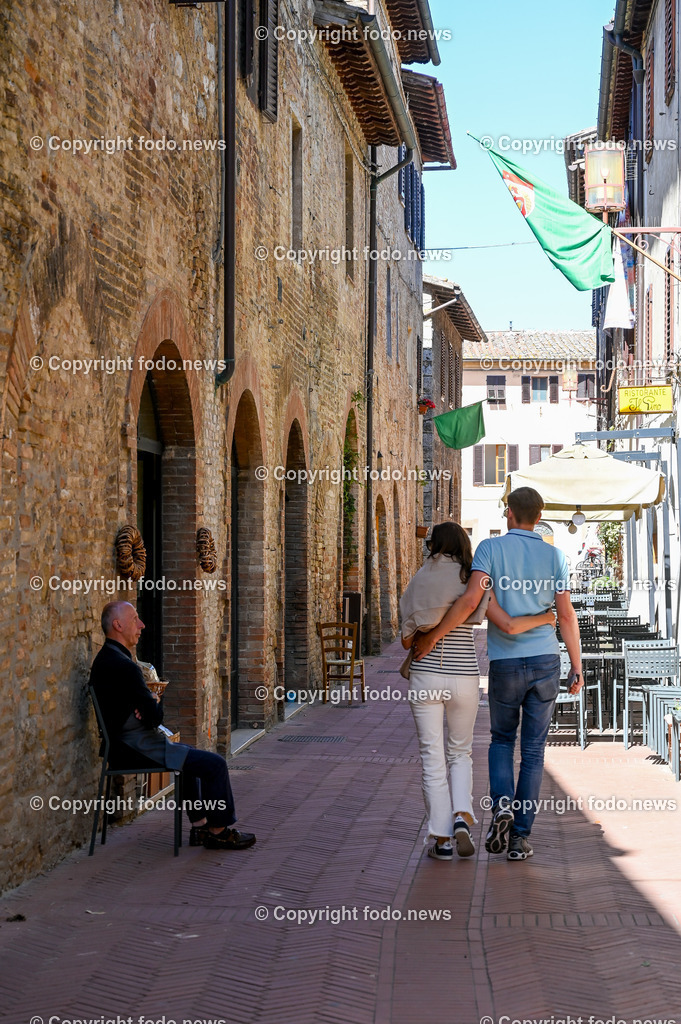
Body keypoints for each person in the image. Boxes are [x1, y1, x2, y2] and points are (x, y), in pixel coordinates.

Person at [413, 488, 582, 862]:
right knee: (534, 752)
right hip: (544, 661)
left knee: (502, 741)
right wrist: (577, 665)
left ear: (509, 514)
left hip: (506, 663)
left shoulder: (490, 551)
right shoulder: (556, 556)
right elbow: (566, 616)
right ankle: (520, 838)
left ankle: (502, 806)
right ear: (539, 518)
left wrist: (432, 637)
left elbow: (472, 600)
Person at [90, 601, 256, 851]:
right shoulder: (125, 667)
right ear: (118, 625)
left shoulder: (106, 659)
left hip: (123, 747)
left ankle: (200, 827)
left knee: (188, 759)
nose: (142, 625)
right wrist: (153, 699)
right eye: (135, 619)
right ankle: (218, 831)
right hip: (135, 749)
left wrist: (145, 704)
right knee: (216, 764)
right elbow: (154, 717)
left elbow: (143, 714)